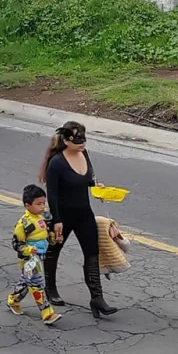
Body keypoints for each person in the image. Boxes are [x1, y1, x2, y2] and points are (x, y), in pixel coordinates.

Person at [41, 120, 116, 318]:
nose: (82, 142)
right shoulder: (57, 162)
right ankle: (50, 288)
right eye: (77, 139)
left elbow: (88, 179)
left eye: (84, 138)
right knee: (53, 251)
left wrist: (96, 185)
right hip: (63, 215)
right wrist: (56, 220)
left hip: (84, 213)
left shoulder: (84, 154)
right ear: (66, 140)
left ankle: (97, 298)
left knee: (92, 253)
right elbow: (53, 194)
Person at [8, 185, 60, 325]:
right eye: (38, 204)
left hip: (39, 256)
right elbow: (16, 244)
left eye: (44, 203)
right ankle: (47, 312)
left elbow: (46, 235)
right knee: (36, 284)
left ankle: (13, 299)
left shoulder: (41, 218)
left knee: (26, 282)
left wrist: (53, 238)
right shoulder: (24, 223)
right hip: (29, 259)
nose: (42, 207)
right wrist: (28, 250)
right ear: (27, 205)